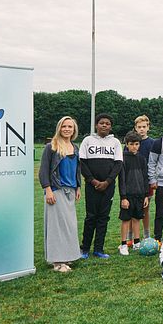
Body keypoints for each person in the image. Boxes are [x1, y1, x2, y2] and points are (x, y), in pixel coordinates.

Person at [39, 116, 82, 272]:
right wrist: (48, 189)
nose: (67, 129)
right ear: (59, 128)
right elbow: (43, 171)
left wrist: (78, 187)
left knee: (69, 225)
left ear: (74, 129)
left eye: (70, 127)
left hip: (70, 191)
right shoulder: (51, 147)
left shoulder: (75, 147)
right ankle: (57, 262)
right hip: (56, 190)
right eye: (64, 126)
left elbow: (77, 169)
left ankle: (68, 256)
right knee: (56, 227)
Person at [79, 113, 123, 259]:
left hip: (108, 186)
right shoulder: (87, 140)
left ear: (110, 126)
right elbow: (82, 163)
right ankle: (84, 249)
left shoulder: (115, 142)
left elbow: (118, 164)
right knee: (91, 217)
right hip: (92, 186)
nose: (104, 125)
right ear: (96, 125)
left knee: (103, 217)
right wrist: (93, 181)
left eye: (107, 123)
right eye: (102, 123)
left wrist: (107, 182)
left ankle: (98, 249)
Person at [117, 131, 150, 256]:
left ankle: (136, 242)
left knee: (137, 218)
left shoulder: (142, 159)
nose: (134, 146)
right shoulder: (123, 159)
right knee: (126, 219)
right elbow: (122, 179)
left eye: (137, 144)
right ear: (126, 144)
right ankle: (124, 244)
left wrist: (146, 194)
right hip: (128, 194)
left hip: (140, 194)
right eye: (131, 144)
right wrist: (123, 197)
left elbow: (145, 177)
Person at [132, 115, 154, 240]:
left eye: (144, 127)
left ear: (148, 127)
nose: (141, 129)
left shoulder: (152, 143)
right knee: (131, 209)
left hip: (146, 181)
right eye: (139, 127)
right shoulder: (131, 141)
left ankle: (146, 236)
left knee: (145, 208)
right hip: (133, 181)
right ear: (135, 128)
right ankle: (130, 237)